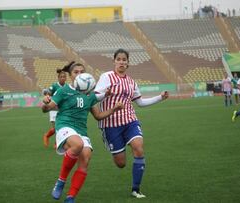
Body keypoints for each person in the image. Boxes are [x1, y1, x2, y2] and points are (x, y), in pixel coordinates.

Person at [41, 61, 123, 203]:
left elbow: (98, 116)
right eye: (76, 72)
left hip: (81, 131)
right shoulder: (63, 90)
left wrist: (114, 109)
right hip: (65, 126)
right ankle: (61, 181)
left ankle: (70, 197)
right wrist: (46, 102)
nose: (80, 75)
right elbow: (46, 109)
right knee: (78, 145)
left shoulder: (89, 95)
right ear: (70, 75)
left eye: (82, 72)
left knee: (85, 157)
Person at [94, 49, 169, 198]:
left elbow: (140, 102)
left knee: (139, 148)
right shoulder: (106, 77)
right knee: (121, 163)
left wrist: (160, 97)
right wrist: (105, 94)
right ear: (114, 61)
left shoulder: (131, 82)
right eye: (119, 59)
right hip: (111, 125)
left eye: (124, 59)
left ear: (128, 63)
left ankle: (136, 189)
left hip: (130, 121)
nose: (121, 62)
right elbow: (95, 97)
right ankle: (114, 146)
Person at [43, 69, 67, 148]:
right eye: (61, 77)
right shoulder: (54, 86)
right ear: (58, 78)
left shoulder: (67, 87)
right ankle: (48, 137)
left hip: (63, 110)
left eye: (64, 77)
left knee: (61, 127)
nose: (62, 78)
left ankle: (56, 143)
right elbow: (48, 93)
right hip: (53, 109)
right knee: (56, 127)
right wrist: (47, 98)